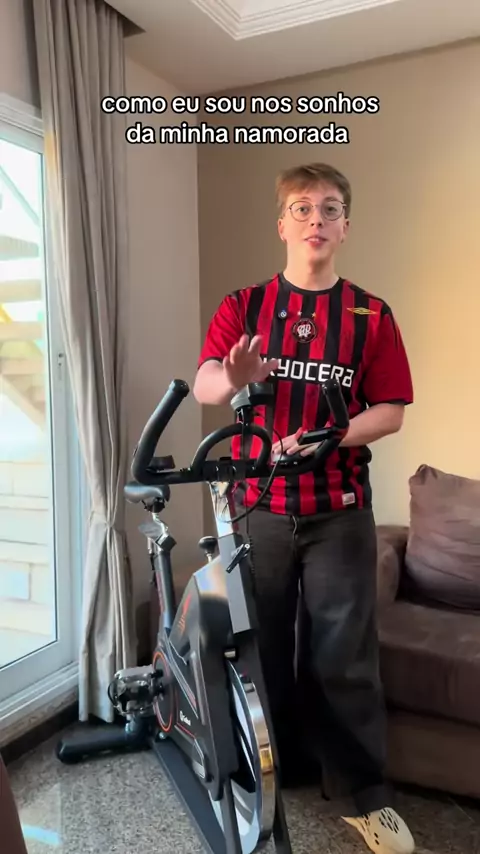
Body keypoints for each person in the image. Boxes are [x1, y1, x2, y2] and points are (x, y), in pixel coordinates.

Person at [193, 162, 415, 854]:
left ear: (345, 227)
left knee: (343, 654)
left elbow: (391, 410)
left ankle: (363, 793)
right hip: (257, 504)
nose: (316, 219)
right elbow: (205, 385)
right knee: (258, 646)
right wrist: (233, 376)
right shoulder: (245, 305)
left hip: (339, 509)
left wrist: (330, 435)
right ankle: (271, 769)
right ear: (282, 224)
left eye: (330, 209)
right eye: (302, 208)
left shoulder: (370, 315)